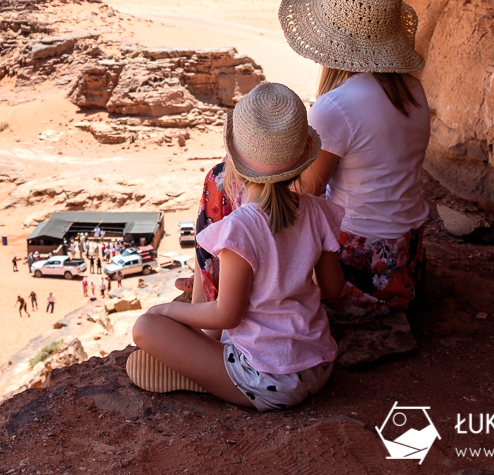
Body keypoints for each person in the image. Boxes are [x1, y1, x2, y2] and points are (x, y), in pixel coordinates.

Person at [127, 82, 344, 409]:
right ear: (302, 156)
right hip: (320, 364)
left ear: (233, 159)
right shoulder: (317, 210)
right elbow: (333, 288)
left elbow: (227, 314)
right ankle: (208, 367)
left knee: (146, 326)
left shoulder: (239, 228)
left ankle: (207, 376)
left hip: (269, 380)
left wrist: (166, 310)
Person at [278, 0, 430, 321]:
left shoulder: (337, 106)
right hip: (408, 261)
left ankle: (219, 281)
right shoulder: (412, 89)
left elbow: (305, 193)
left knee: (226, 182)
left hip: (361, 268)